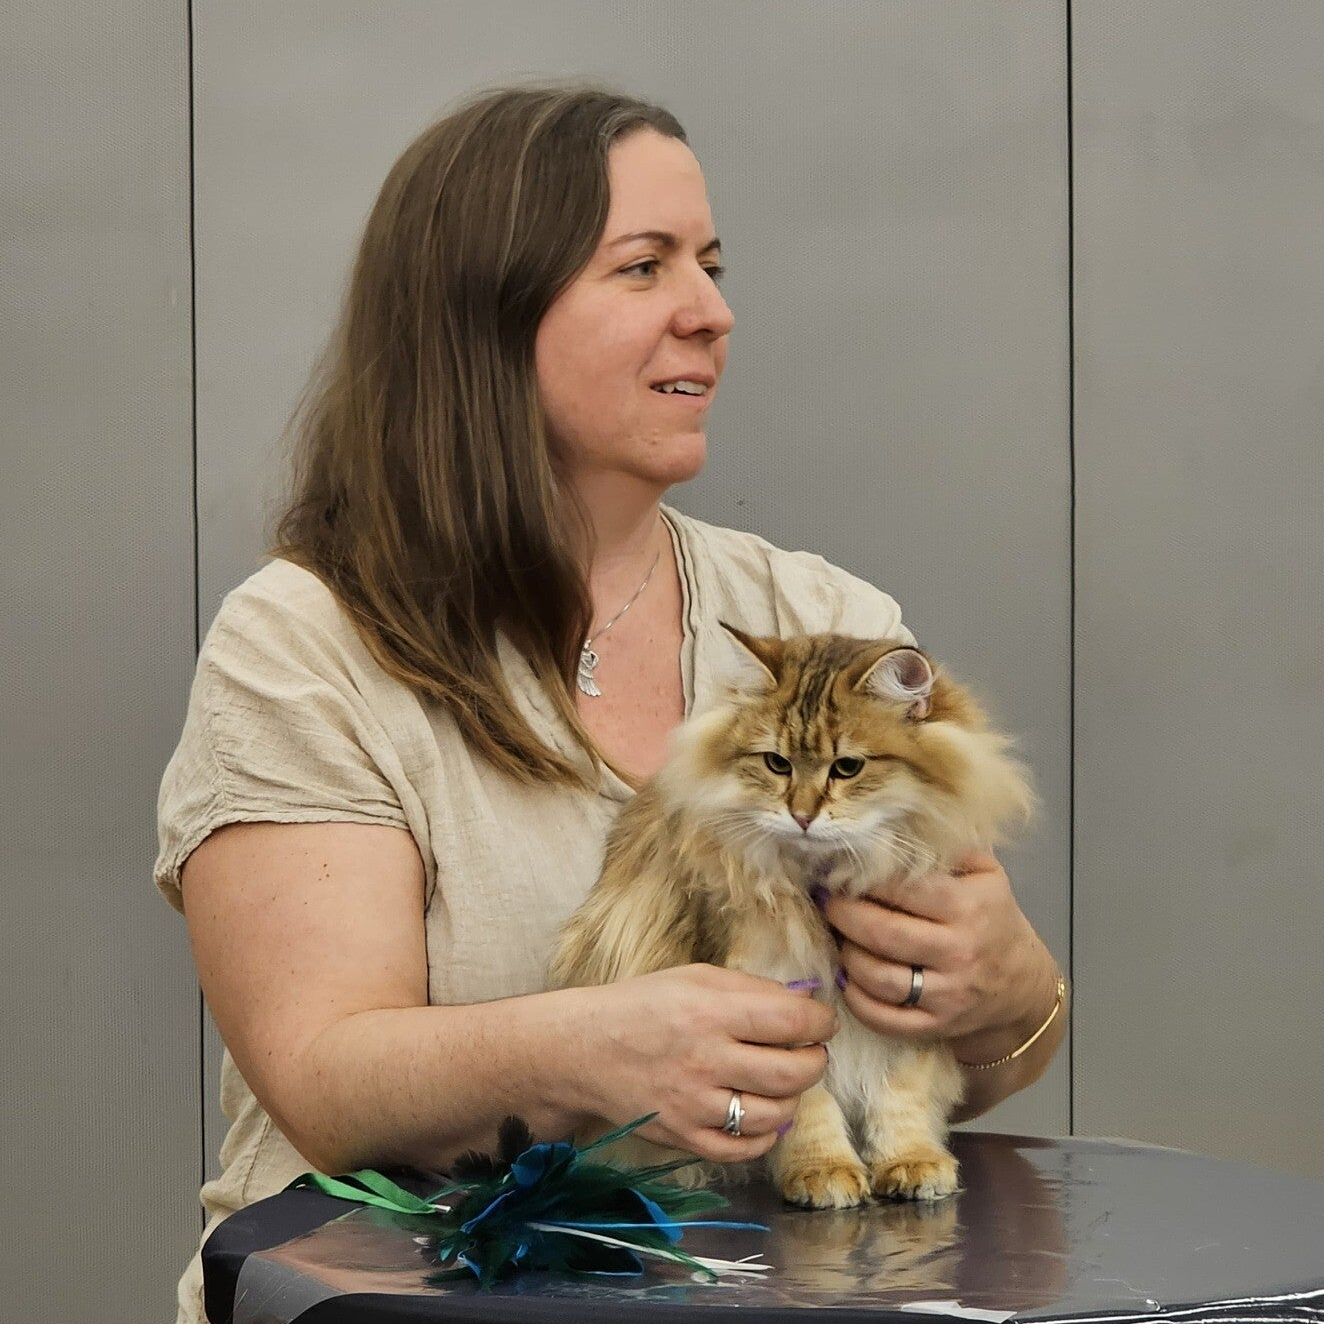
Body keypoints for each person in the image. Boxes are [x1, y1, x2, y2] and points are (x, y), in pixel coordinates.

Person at [155, 83, 1067, 1323]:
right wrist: (589, 1050)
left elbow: (939, 1067)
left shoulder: (821, 618)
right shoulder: (303, 643)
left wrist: (1012, 993)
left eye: (711, 265)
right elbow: (324, 1081)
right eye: (644, 267)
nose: (712, 312)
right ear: (483, 317)